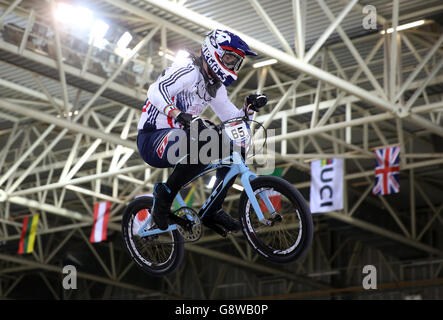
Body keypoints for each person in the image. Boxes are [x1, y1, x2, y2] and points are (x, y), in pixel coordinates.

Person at [136, 29, 267, 234]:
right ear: (213, 51)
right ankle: (164, 196)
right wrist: (179, 115)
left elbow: (233, 122)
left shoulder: (215, 87)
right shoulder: (188, 70)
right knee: (205, 138)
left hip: (181, 138)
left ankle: (213, 209)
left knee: (233, 147)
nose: (233, 65)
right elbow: (155, 90)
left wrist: (248, 110)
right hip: (152, 138)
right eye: (230, 58)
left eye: (236, 61)